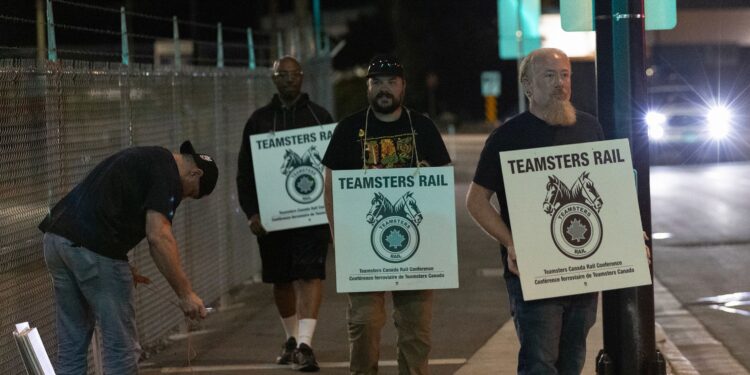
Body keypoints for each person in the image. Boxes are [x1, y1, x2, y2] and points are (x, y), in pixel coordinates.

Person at [466, 48, 604, 374]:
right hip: (534, 274)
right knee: (540, 363)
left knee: (572, 363)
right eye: (549, 75)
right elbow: (476, 201)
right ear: (528, 86)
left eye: (565, 74)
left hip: (583, 271)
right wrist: (511, 242)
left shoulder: (590, 129)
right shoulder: (507, 137)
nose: (560, 83)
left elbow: (608, 192)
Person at [39, 140, 219, 374]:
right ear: (195, 172)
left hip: (57, 238)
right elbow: (159, 235)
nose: (181, 198)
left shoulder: (149, 159)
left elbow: (109, 204)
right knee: (120, 348)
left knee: (72, 344)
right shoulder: (168, 175)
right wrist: (186, 294)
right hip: (93, 248)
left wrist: (117, 261)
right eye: (190, 192)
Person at [322, 55, 451, 375]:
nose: (384, 89)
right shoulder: (349, 128)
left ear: (403, 87)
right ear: (367, 87)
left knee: (415, 331)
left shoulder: (422, 127)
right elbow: (330, 185)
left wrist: (440, 239)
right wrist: (339, 238)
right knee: (365, 324)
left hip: (416, 249)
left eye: (391, 82)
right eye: (376, 82)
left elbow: (443, 182)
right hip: (363, 248)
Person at [236, 55, 333, 372]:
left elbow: (334, 169)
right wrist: (252, 213)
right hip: (273, 220)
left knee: (310, 274)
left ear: (302, 77)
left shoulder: (320, 117)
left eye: (294, 74)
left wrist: (333, 212)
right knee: (281, 279)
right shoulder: (259, 120)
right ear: (273, 78)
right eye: (282, 74)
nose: (289, 79)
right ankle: (291, 339)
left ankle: (305, 344)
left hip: (313, 218)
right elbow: (245, 173)